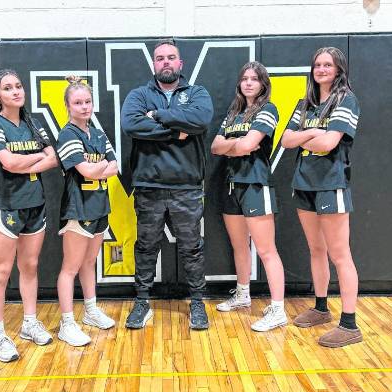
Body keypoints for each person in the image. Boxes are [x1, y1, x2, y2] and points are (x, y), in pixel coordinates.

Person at [121, 39, 214, 330]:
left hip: (187, 187)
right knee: (146, 247)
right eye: (160, 58)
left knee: (191, 247)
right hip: (149, 186)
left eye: (171, 57)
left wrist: (160, 117)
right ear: (154, 64)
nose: (165, 62)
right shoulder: (139, 95)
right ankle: (142, 301)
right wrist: (177, 131)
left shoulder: (197, 93)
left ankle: (198, 302)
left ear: (180, 63)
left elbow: (200, 120)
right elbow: (131, 125)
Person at [281, 47, 362, 347]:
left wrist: (308, 135)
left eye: (328, 65)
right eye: (317, 64)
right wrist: (310, 134)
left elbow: (328, 143)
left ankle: (350, 324)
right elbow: (287, 140)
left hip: (331, 184)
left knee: (339, 254)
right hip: (304, 184)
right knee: (316, 250)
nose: (321, 69)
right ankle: (320, 308)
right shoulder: (305, 104)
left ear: (338, 69)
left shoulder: (345, 100)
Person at [0, 69, 58, 362]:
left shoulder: (33, 123)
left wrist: (30, 162)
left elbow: (54, 159)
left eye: (18, 86)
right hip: (7, 207)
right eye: (8, 88)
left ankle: (29, 323)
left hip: (35, 206)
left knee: (30, 267)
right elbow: (9, 163)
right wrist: (37, 159)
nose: (15, 91)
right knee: (1, 272)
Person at [211, 62, 287, 331]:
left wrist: (237, 145)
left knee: (266, 250)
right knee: (239, 246)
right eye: (244, 78)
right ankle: (243, 295)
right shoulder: (234, 112)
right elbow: (216, 146)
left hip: (256, 184)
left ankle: (278, 310)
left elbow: (248, 145)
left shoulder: (268, 109)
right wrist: (238, 146)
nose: (249, 83)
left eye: (254, 79)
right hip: (231, 185)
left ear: (263, 83)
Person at [55, 76, 118, 346]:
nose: (84, 107)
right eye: (77, 102)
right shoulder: (68, 134)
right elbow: (88, 170)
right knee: (70, 267)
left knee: (89, 263)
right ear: (68, 106)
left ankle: (90, 310)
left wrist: (102, 166)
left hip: (100, 205)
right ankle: (66, 323)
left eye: (87, 101)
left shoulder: (98, 133)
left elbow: (115, 167)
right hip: (78, 208)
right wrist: (101, 165)